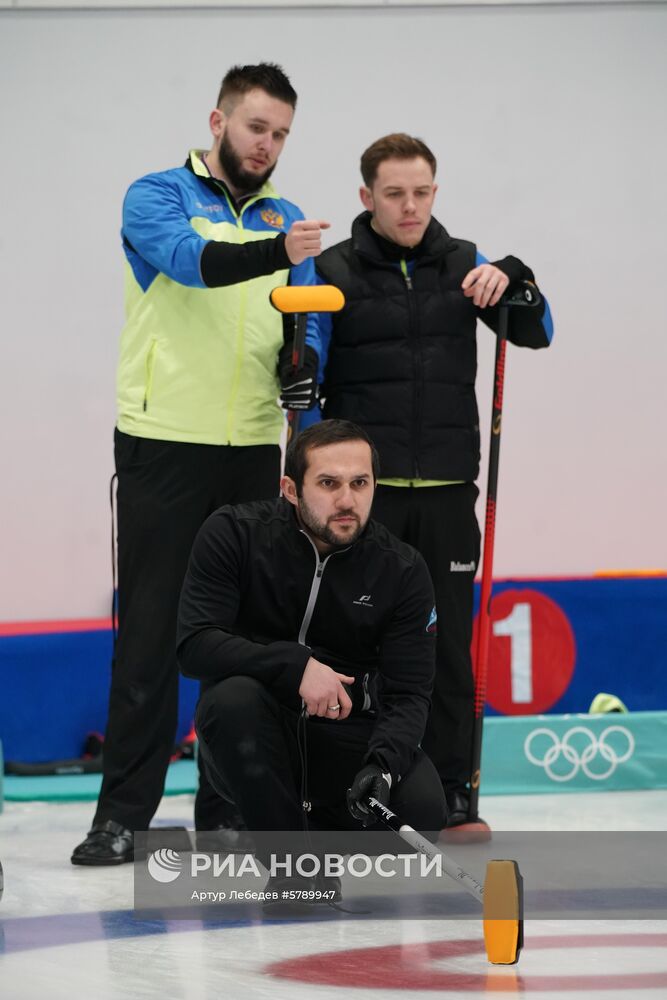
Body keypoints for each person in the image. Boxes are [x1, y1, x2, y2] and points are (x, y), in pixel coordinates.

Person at [72, 63, 326, 866]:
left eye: (281, 133)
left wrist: (304, 369)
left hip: (253, 446)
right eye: (256, 127)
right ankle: (123, 819)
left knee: (242, 639)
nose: (268, 144)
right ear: (216, 122)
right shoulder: (155, 195)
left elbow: (307, 319)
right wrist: (276, 250)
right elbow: (188, 264)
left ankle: (224, 810)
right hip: (163, 442)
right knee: (149, 635)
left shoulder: (289, 219)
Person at [307, 134, 554, 829]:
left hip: (448, 490)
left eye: (421, 192)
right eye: (393, 194)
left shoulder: (464, 264)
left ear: (434, 193)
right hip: (364, 497)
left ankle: (453, 791)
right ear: (366, 197)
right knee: (352, 640)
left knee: (447, 644)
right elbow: (303, 378)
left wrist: (517, 277)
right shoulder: (330, 270)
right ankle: (342, 789)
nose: (409, 206)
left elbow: (537, 331)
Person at [176, 419, 447, 898]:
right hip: (252, 736)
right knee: (233, 699)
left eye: (359, 483)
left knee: (423, 811)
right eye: (329, 483)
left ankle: (313, 829)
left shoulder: (401, 568)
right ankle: (293, 868)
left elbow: (409, 694)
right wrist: (296, 666)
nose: (347, 500)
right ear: (290, 489)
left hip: (343, 738)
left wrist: (381, 767)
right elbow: (195, 644)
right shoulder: (234, 534)